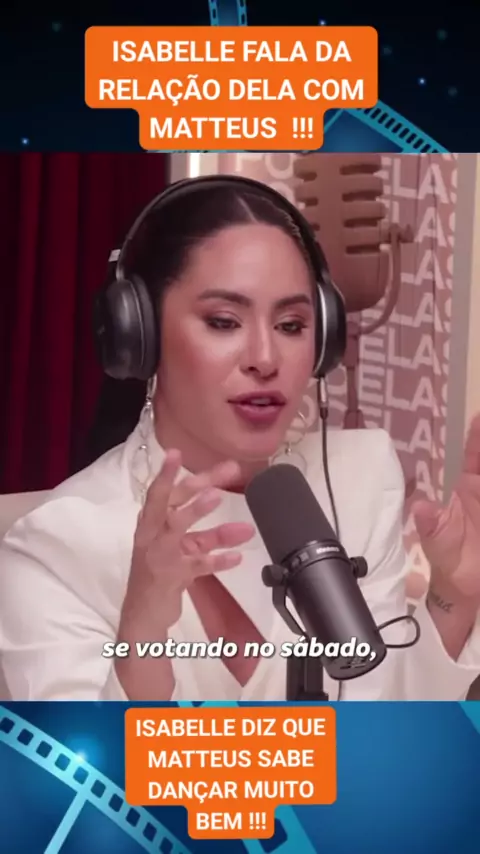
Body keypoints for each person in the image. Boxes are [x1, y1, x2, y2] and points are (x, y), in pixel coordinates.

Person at [1, 175, 480, 703]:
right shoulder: (57, 546)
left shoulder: (358, 480)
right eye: (224, 321)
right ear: (140, 336)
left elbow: (387, 723)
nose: (266, 359)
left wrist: (454, 595)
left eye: (291, 325)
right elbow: (83, 759)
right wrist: (142, 634)